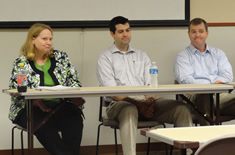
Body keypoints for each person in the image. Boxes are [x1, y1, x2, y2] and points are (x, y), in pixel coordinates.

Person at [96, 16, 193, 155]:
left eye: (128, 30)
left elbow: (151, 84)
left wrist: (149, 101)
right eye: (121, 31)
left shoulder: (142, 56)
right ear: (112, 34)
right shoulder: (105, 58)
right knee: (129, 109)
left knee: (181, 108)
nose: (125, 34)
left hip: (146, 103)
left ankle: (189, 153)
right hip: (118, 105)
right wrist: (137, 104)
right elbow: (113, 92)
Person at [9, 23, 85, 155]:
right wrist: (34, 101)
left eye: (50, 39)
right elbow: (15, 91)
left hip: (60, 106)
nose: (49, 43)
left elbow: (75, 83)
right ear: (33, 39)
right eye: (44, 39)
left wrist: (73, 95)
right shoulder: (21, 62)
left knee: (74, 119)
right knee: (43, 125)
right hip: (29, 109)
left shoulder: (61, 58)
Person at [174, 17, 235, 125]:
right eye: (193, 32)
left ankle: (227, 140)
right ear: (188, 34)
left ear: (207, 33)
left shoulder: (218, 53)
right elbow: (186, 81)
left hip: (220, 97)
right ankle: (208, 141)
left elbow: (228, 76)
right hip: (194, 97)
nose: (197, 35)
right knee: (204, 95)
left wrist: (212, 87)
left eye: (201, 31)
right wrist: (212, 84)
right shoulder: (182, 56)